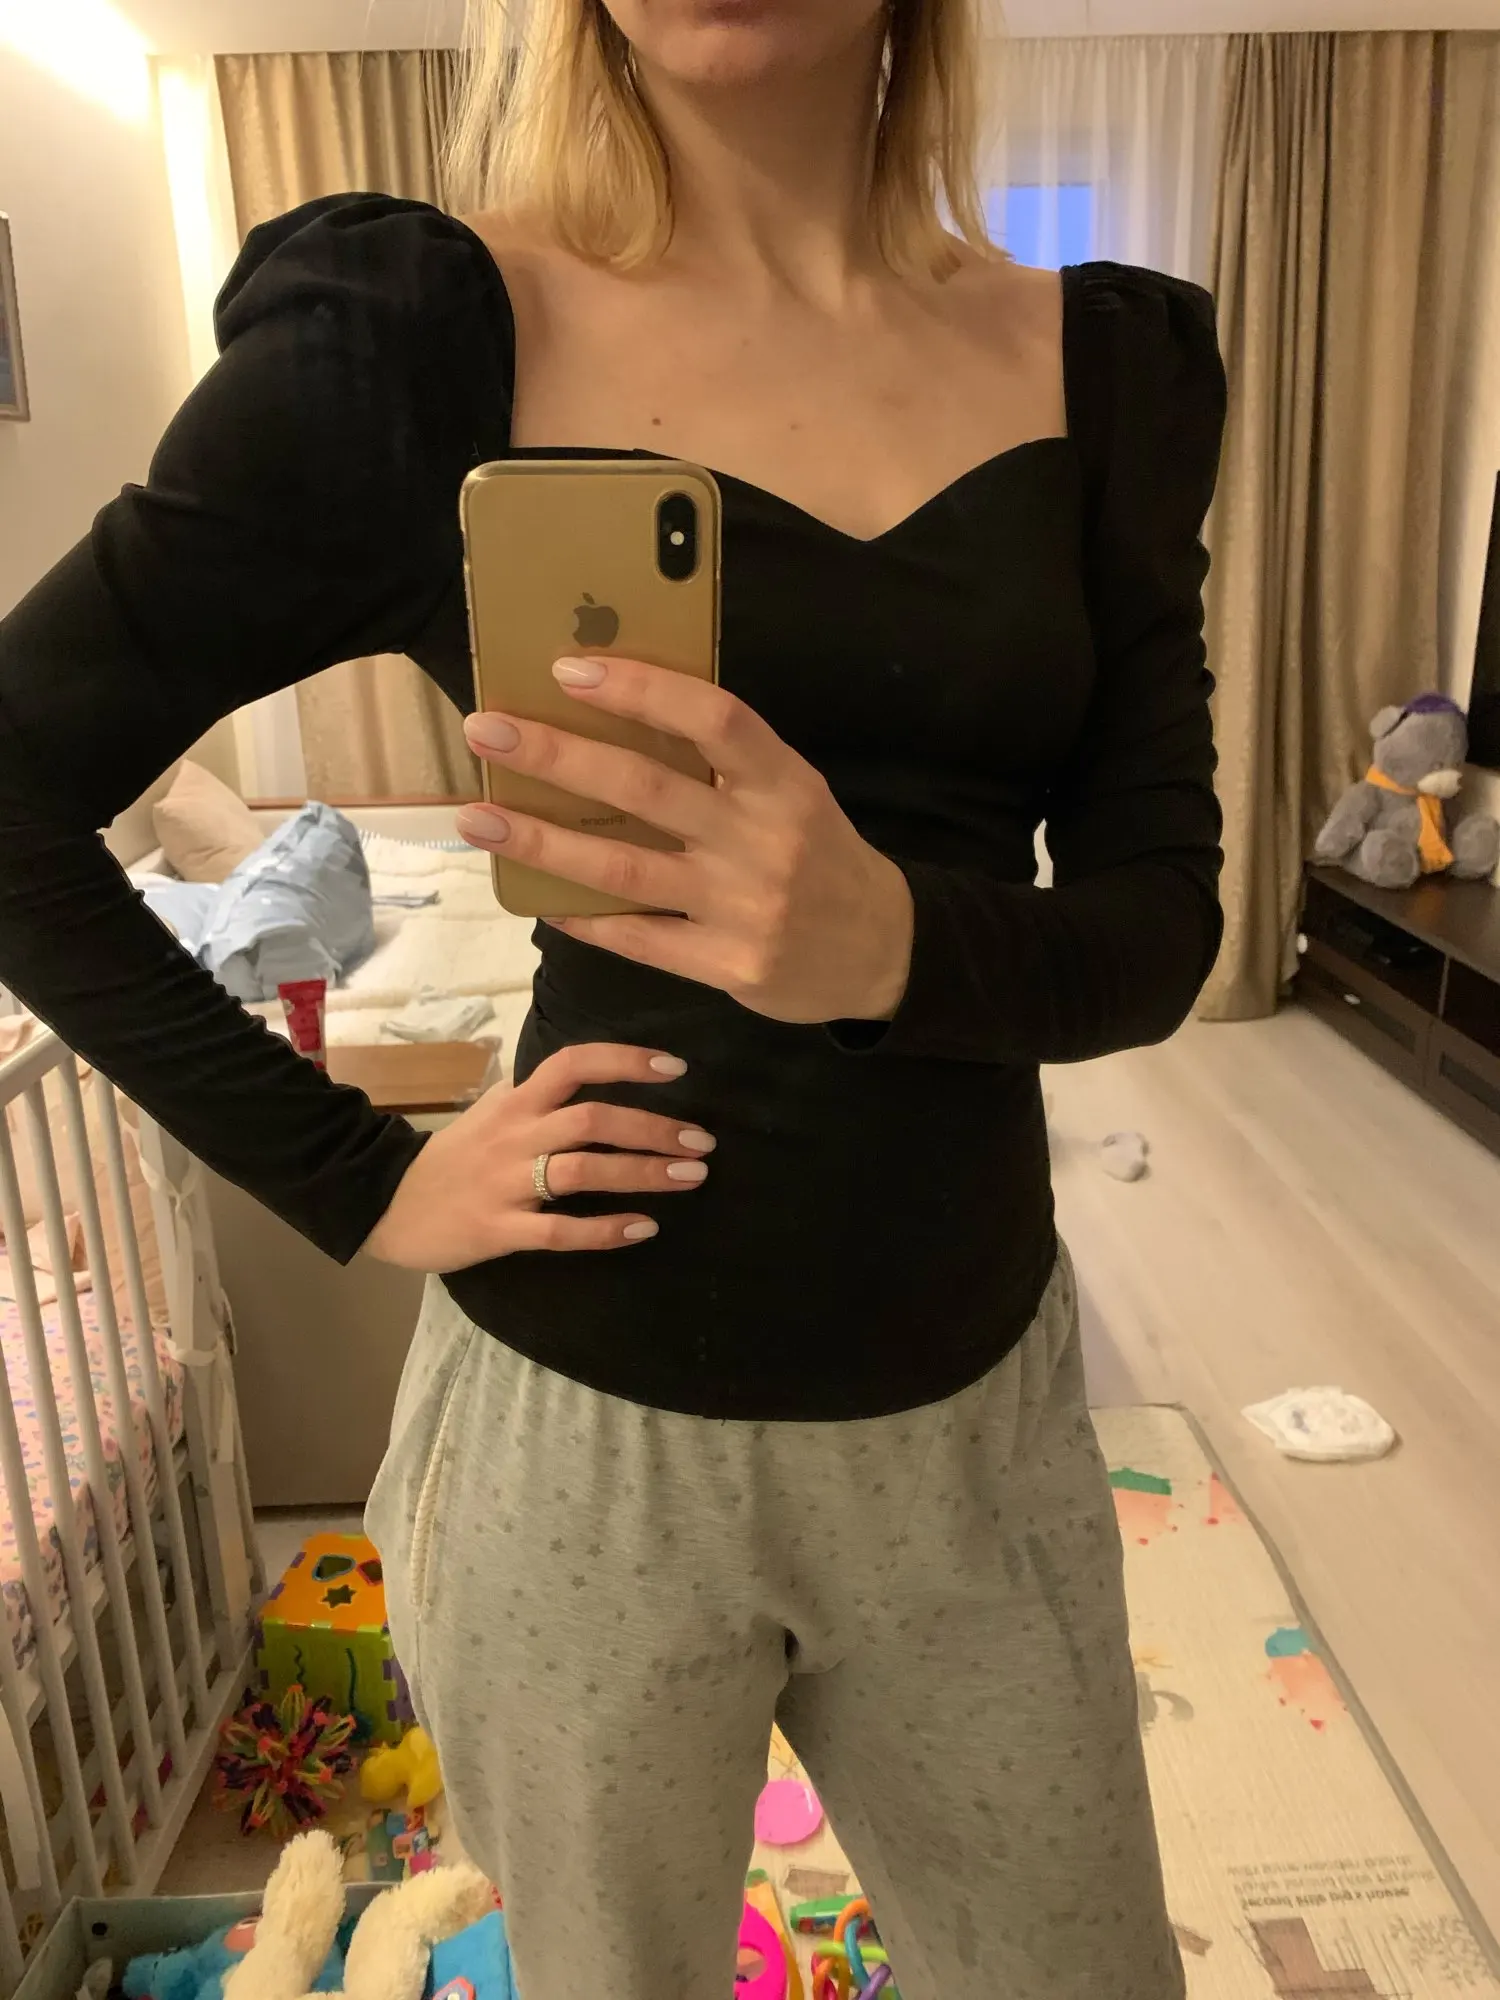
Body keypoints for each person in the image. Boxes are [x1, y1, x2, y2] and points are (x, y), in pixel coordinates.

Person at [0, 0, 1226, 1992]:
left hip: (975, 1420)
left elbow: (1163, 922)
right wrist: (363, 1180)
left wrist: (886, 943)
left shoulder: (1110, 367)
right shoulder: (416, 346)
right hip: (582, 1441)